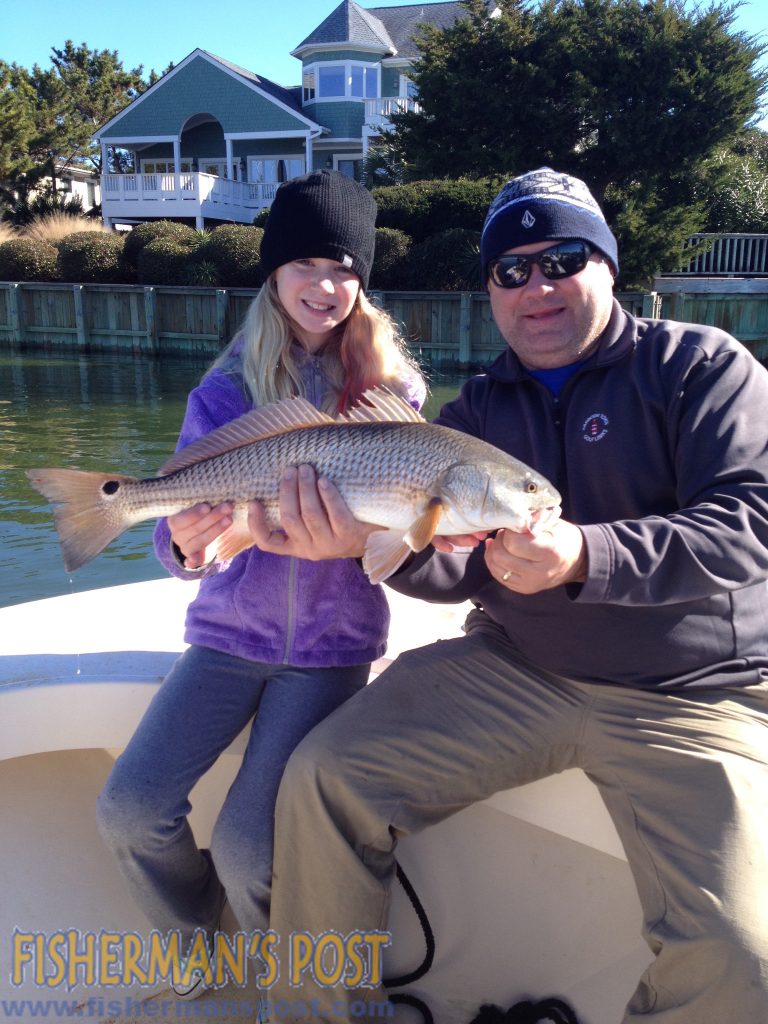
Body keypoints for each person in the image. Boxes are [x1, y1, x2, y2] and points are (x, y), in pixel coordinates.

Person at [260, 167, 768, 1023]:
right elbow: (453, 568)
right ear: (491, 289)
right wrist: (359, 547)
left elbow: (751, 522)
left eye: (562, 257)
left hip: (694, 696)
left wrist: (585, 555)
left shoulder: (701, 368)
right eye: (511, 269)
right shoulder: (475, 415)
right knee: (324, 776)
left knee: (740, 958)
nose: (536, 285)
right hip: (518, 665)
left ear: (609, 265)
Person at [95, 169, 426, 998]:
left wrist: (358, 543)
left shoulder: (396, 396)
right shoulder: (223, 391)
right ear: (273, 270)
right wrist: (184, 539)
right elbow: (190, 553)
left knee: (254, 847)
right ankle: (204, 942)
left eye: (347, 267)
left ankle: (301, 990)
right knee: (130, 810)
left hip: (331, 653)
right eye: (307, 262)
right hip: (224, 642)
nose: (328, 284)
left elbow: (403, 539)